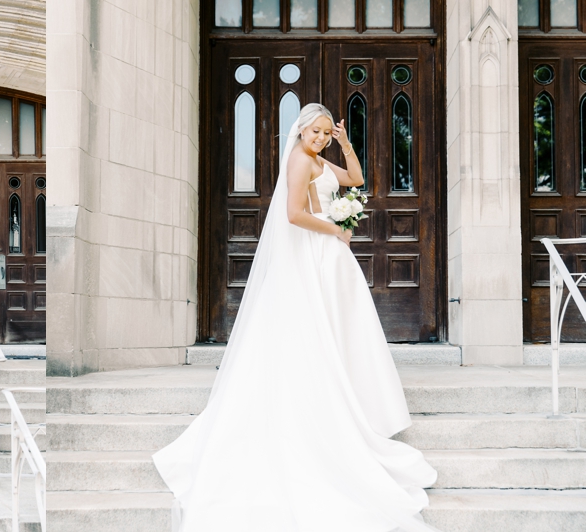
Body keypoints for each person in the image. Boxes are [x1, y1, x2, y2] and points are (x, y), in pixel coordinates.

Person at [153, 103, 439, 531]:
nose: (321, 138)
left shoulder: (321, 158)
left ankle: (348, 399)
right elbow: (294, 215)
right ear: (300, 130)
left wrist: (345, 145)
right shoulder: (298, 161)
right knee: (313, 335)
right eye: (317, 132)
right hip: (314, 253)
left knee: (338, 334)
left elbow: (356, 180)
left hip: (329, 255)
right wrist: (336, 229)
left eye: (327, 133)